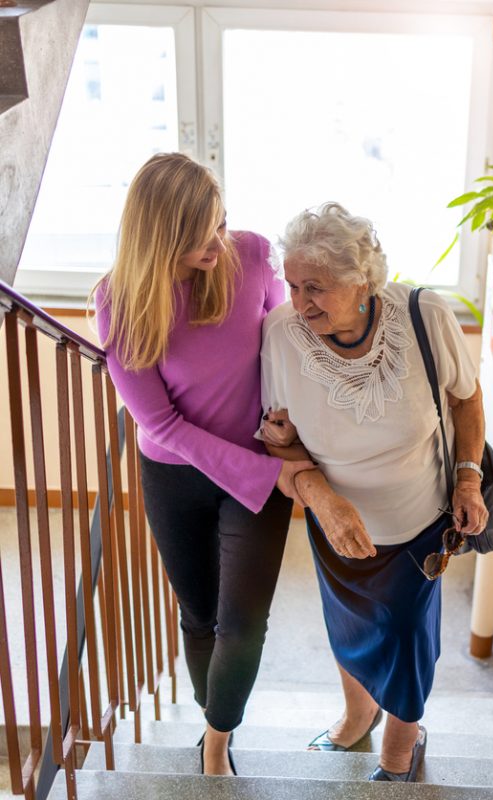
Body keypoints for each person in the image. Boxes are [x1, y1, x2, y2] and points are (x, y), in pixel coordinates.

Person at [91, 153, 315, 777]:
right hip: (177, 475)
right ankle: (214, 713)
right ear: (161, 235)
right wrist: (271, 476)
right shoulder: (120, 302)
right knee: (199, 616)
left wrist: (286, 423)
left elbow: (285, 340)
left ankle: (217, 742)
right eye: (202, 234)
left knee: (243, 623)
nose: (220, 241)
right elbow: (160, 424)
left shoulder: (249, 255)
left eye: (222, 222)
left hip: (257, 463)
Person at [259, 202, 489, 782]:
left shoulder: (423, 314)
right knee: (351, 626)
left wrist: (467, 476)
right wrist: (320, 498)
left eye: (317, 286)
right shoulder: (282, 334)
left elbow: (465, 398)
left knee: (409, 635)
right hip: (335, 523)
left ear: (362, 281)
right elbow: (279, 439)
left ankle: (399, 747)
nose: (299, 301)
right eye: (291, 284)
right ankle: (358, 713)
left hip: (420, 524)